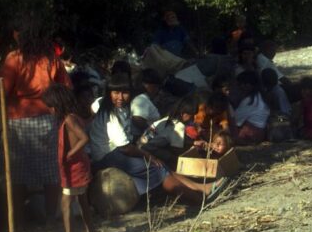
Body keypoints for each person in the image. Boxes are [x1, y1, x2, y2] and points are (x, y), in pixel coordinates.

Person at [90, 74, 224, 202]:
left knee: (162, 165)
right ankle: (197, 199)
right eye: (116, 93)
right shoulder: (110, 114)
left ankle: (202, 188)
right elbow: (125, 148)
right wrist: (148, 156)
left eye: (124, 92)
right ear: (109, 93)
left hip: (119, 152)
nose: (120, 97)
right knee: (156, 168)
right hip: (108, 156)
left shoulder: (121, 108)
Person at [0, 15, 71, 227]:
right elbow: (66, 87)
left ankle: (17, 221)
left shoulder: (14, 58)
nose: (14, 37)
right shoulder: (50, 59)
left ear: (21, 35)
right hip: (48, 120)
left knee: (17, 173)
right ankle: (50, 218)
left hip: (18, 121)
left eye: (16, 33)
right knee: (50, 172)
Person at [42, 84, 96, 232]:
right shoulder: (71, 118)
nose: (50, 111)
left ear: (57, 105)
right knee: (82, 201)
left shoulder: (70, 119)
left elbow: (84, 138)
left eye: (51, 107)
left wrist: (69, 155)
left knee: (65, 203)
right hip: (76, 166)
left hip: (75, 168)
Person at [231, 71, 270, 144]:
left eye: (240, 84)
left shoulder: (249, 101)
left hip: (251, 135)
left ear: (248, 85)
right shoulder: (260, 97)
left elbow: (235, 120)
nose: (239, 87)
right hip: (260, 134)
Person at [130, 69, 163, 140]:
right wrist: (150, 129)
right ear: (146, 84)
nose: (157, 89)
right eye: (155, 86)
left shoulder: (143, 98)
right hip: (137, 137)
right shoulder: (142, 99)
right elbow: (137, 118)